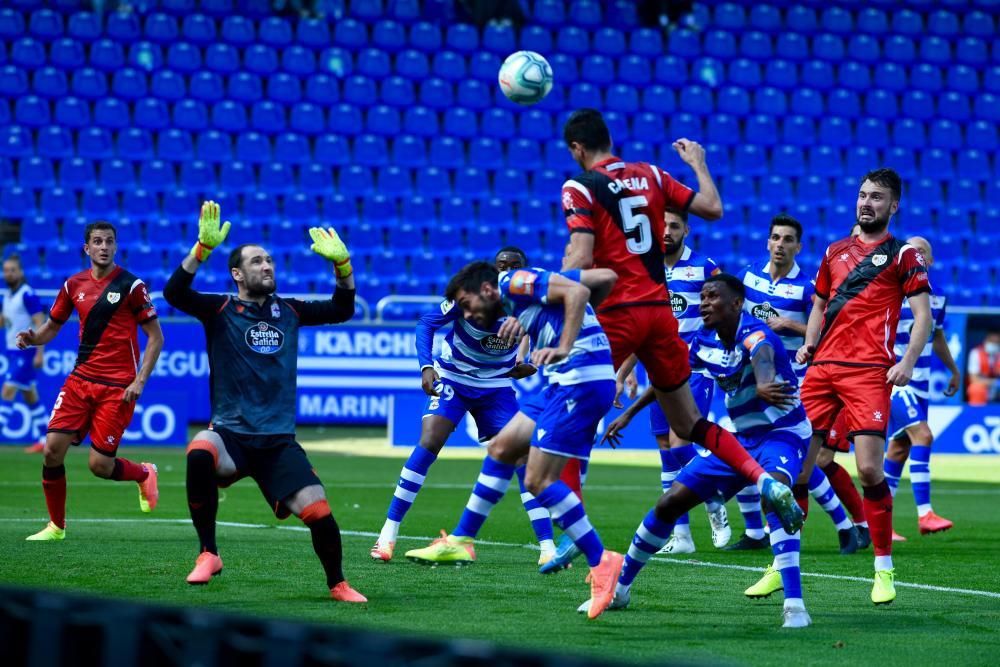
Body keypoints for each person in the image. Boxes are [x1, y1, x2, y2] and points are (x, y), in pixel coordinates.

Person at [559, 108, 802, 532]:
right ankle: (762, 481)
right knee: (689, 425)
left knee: (566, 410)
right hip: (658, 313)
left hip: (618, 312)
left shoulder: (580, 185)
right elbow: (712, 207)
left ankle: (570, 531)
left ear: (577, 148)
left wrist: (549, 286)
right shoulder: (651, 174)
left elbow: (580, 260)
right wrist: (698, 164)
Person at [163, 202, 365, 602]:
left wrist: (343, 266)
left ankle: (338, 584)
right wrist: (201, 250)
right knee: (200, 450)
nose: (267, 266)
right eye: (257, 261)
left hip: (276, 442)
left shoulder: (289, 311)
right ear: (237, 273)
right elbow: (174, 293)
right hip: (231, 436)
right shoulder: (219, 309)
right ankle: (208, 553)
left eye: (270, 260)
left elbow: (343, 309)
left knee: (319, 513)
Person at [404, 261, 626, 619]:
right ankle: (461, 541)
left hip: (578, 382)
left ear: (487, 290)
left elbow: (582, 290)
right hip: (559, 383)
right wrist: (565, 312)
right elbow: (605, 279)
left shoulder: (513, 282)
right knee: (503, 448)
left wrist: (568, 341)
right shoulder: (519, 303)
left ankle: (602, 561)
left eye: (466, 302)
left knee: (538, 480)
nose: (466, 313)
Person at [598, 275, 811, 628]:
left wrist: (762, 382)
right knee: (670, 502)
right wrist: (629, 413)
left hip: (783, 434)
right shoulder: (703, 342)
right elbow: (671, 381)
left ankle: (795, 606)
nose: (704, 302)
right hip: (741, 439)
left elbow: (763, 355)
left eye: (713, 297)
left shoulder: (756, 333)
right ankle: (621, 588)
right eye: (703, 297)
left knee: (775, 494)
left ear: (737, 304)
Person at [795, 168, 932, 605]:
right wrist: (809, 343)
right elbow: (818, 303)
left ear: (893, 206)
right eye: (862, 195)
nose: (866, 203)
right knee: (793, 470)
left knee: (870, 469)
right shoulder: (834, 251)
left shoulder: (902, 254)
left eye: (876, 197)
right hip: (822, 370)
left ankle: (884, 569)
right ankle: (781, 567)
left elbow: (923, 317)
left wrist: (907, 362)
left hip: (869, 371)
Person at [370, 246, 554, 565]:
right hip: (453, 378)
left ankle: (547, 547)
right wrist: (426, 366)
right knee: (430, 442)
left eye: (514, 266)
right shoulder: (467, 299)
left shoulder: (530, 305)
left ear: (525, 270)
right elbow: (425, 324)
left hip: (496, 388)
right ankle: (387, 536)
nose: (506, 270)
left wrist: (525, 364)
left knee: (524, 457)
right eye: (501, 265)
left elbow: (544, 343)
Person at [21, 222, 164, 542]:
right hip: (80, 380)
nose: (103, 247)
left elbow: (156, 338)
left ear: (115, 247)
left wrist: (139, 381)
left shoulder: (132, 285)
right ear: (86, 248)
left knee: (99, 465)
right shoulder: (73, 285)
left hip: (117, 387)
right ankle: (56, 527)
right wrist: (32, 338)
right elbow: (51, 327)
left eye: (109, 242)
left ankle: (144, 472)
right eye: (97, 242)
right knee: (52, 451)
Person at [729, 215, 860, 555]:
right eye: (776, 238)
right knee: (750, 455)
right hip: (752, 383)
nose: (780, 245)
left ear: (798, 247)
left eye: (788, 240)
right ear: (767, 242)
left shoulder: (807, 286)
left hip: (791, 385)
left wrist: (791, 324)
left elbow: (830, 329)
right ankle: (758, 532)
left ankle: (845, 526)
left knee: (791, 460)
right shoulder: (748, 277)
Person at [613, 208, 730, 555]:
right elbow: (643, 326)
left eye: (674, 226)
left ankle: (713, 498)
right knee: (666, 449)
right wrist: (623, 371)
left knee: (681, 442)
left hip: (696, 369)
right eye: (661, 227)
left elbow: (727, 311)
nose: (666, 232)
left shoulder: (706, 268)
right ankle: (681, 537)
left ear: (686, 230)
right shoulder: (645, 271)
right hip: (658, 370)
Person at [883, 237, 960, 539]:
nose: (916, 257)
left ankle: (880, 522)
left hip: (922, 383)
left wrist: (953, 370)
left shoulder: (938, 296)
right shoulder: (891, 290)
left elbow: (936, 335)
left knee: (899, 449)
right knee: (923, 435)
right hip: (894, 379)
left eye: (922, 253)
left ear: (931, 260)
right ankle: (925, 513)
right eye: (911, 252)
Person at [0, 254, 49, 453]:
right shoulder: (7, 295)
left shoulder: (27, 294)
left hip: (25, 352)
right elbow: (4, 320)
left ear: (20, 272)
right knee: (30, 396)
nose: (9, 273)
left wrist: (40, 353)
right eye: (6, 270)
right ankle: (45, 438)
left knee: (8, 390)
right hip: (13, 352)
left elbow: (41, 323)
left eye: (13, 270)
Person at [967, 331, 1000, 405]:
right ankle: (976, 414)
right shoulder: (975, 353)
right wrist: (994, 382)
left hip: (998, 390)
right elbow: (973, 379)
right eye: (992, 341)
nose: (994, 344)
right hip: (984, 387)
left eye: (997, 342)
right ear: (986, 340)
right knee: (975, 389)